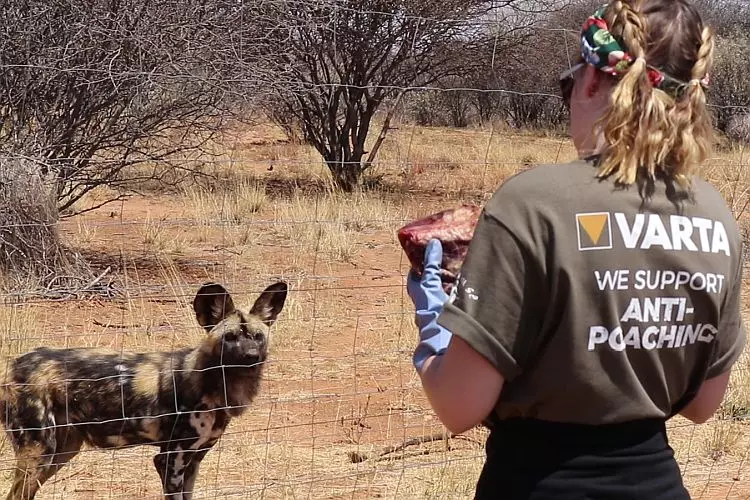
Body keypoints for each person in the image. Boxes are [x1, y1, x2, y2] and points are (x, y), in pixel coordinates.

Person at [406, 1, 746, 499]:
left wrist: (436, 328)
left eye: (571, 84)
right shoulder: (714, 214)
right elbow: (702, 405)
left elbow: (459, 406)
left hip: (536, 482)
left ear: (592, 81)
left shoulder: (531, 202)